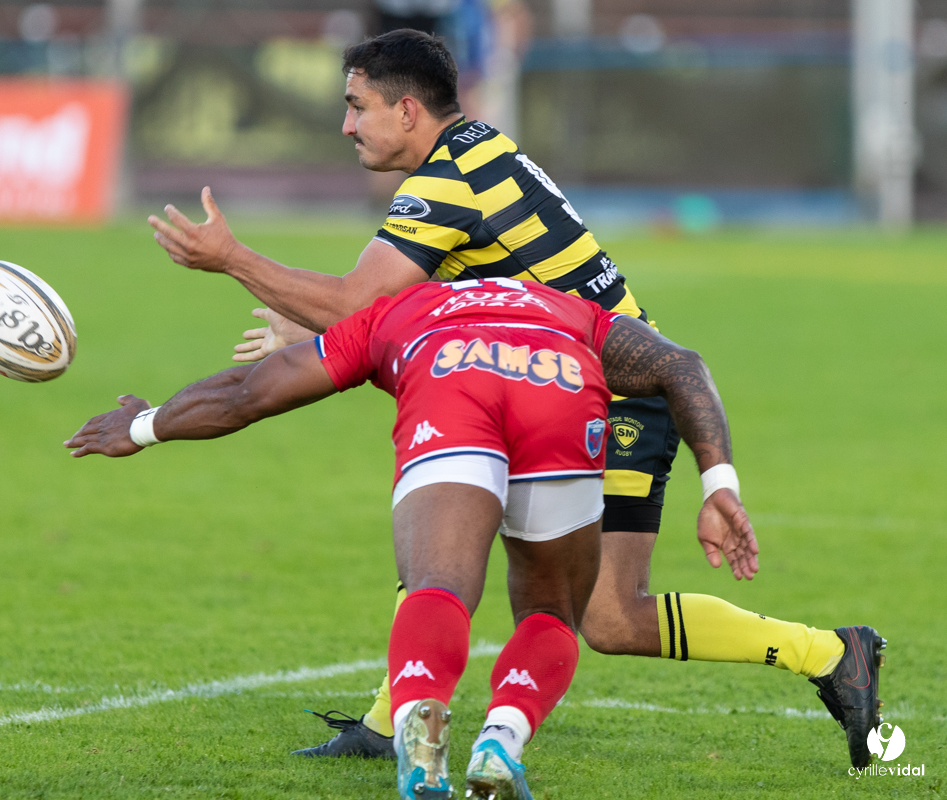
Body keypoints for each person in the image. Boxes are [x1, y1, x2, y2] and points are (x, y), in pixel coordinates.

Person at [147, 29, 886, 770]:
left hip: (614, 392)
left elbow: (356, 304)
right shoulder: (474, 152)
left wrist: (233, 260)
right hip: (557, 381)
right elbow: (425, 306)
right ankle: (389, 719)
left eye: (357, 106)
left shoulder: (449, 180)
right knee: (458, 532)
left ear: (407, 111)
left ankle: (827, 653)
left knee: (604, 615)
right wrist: (310, 320)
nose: (346, 125)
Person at [66, 277, 773, 799]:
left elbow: (255, 390)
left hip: (451, 385)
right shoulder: (568, 307)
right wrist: (720, 489)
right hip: (557, 387)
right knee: (552, 613)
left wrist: (144, 424)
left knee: (438, 585)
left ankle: (417, 732)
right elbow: (683, 367)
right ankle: (501, 740)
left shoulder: (400, 311)